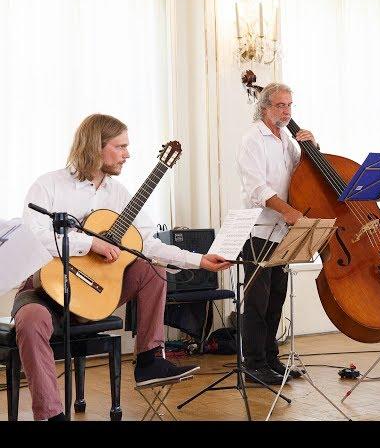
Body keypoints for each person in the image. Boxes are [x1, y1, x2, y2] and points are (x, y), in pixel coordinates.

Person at [17, 113, 231, 420]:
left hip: (95, 292)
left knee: (151, 267)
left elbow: (147, 244)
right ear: (96, 146)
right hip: (45, 289)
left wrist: (198, 260)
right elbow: (34, 237)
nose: (127, 154)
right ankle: (51, 415)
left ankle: (148, 359)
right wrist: (90, 243)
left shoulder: (118, 194)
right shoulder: (48, 185)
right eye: (120, 147)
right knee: (30, 320)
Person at [236, 82, 317, 385]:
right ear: (265, 107)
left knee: (276, 299)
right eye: (280, 105)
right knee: (257, 301)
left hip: (282, 231)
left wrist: (311, 147)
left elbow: (302, 174)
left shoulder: (286, 138)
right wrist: (287, 210)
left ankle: (271, 359)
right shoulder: (252, 140)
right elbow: (257, 188)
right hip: (258, 230)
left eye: (289, 105)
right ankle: (253, 364)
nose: (286, 111)